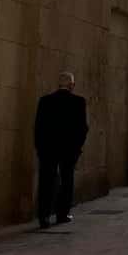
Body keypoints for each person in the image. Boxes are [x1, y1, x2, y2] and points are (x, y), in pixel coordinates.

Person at [34, 72, 89, 229]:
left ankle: (44, 216)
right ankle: (62, 214)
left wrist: (40, 148)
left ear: (58, 85)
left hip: (48, 149)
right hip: (69, 150)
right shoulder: (78, 102)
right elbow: (83, 128)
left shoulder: (45, 101)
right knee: (67, 180)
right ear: (72, 85)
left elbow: (38, 127)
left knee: (46, 181)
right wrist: (77, 147)